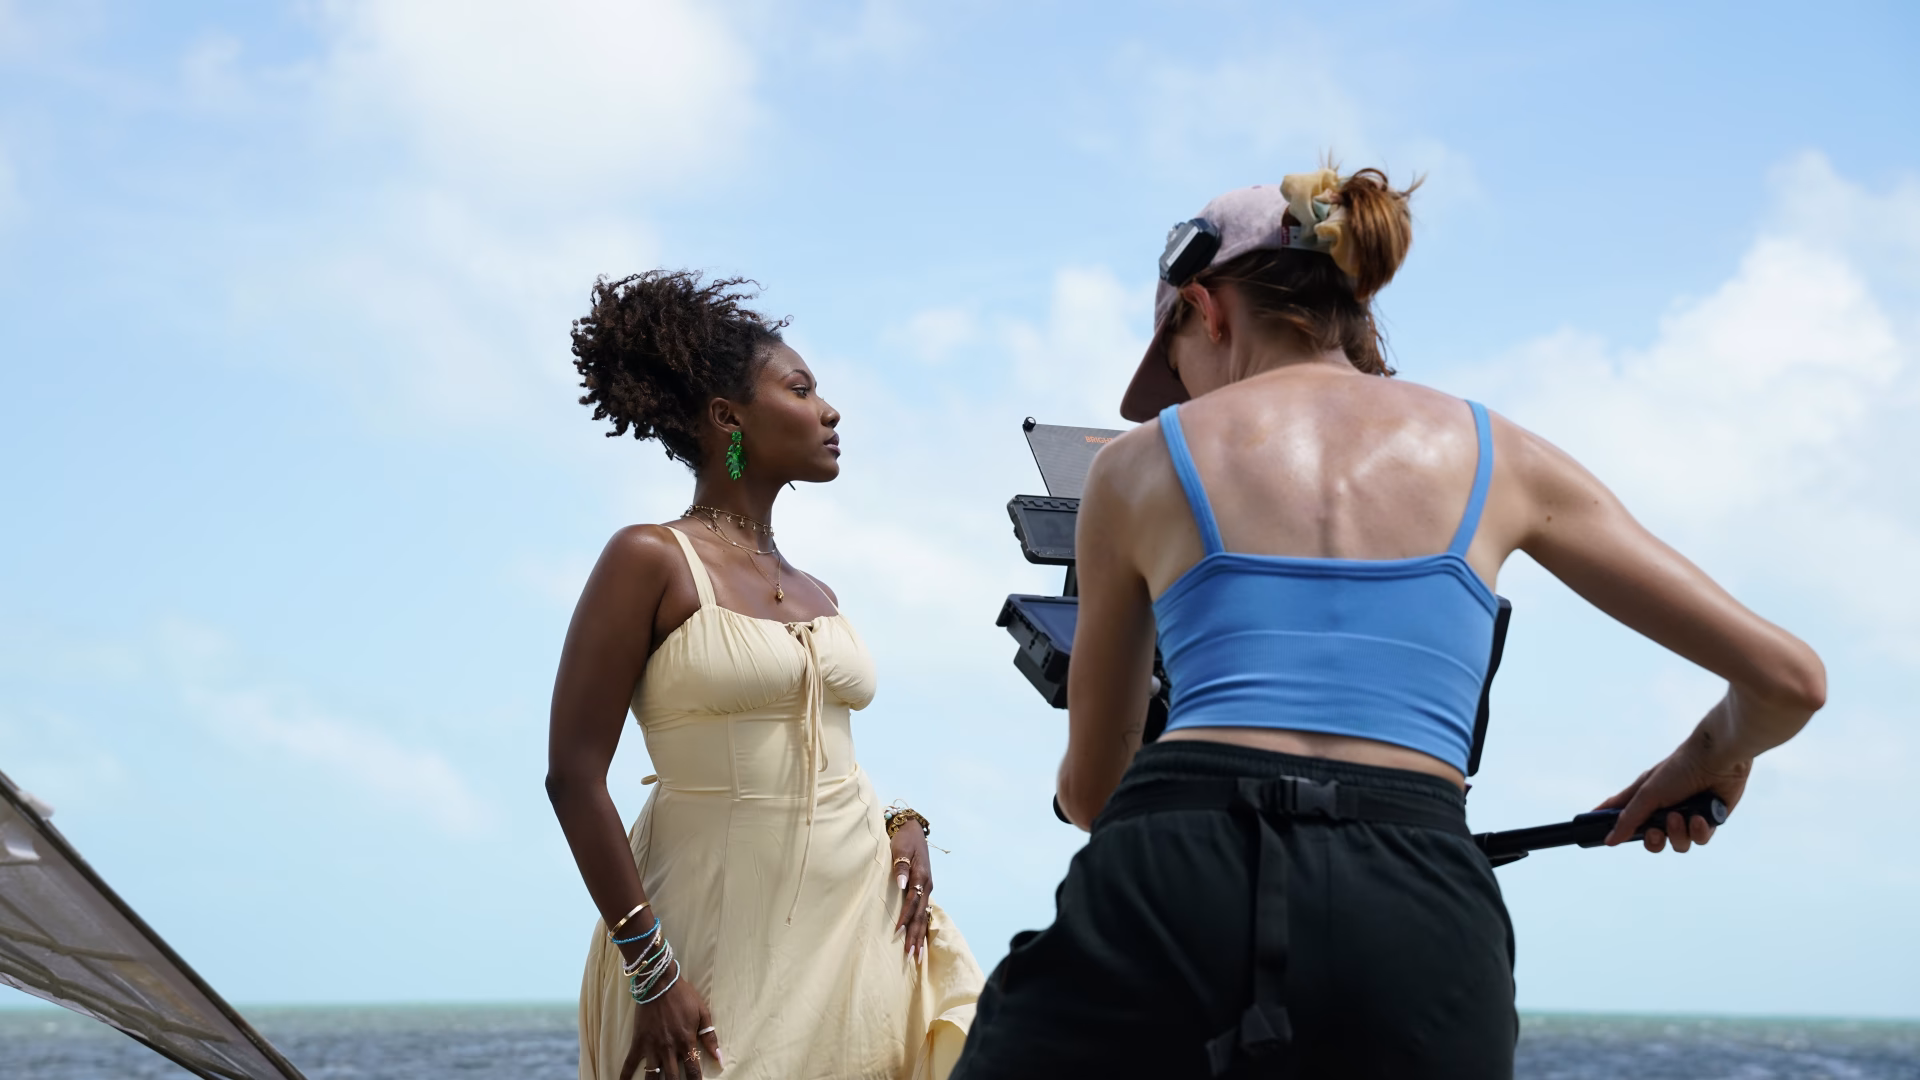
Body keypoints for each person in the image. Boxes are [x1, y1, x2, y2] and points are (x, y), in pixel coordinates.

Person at [950, 168, 1827, 1079]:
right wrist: (1711, 755)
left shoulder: (1135, 466)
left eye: (1174, 369)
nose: (1181, 399)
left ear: (1206, 311)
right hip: (1418, 900)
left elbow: (1096, 797)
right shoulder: (1503, 455)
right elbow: (1789, 681)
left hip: (1176, 873)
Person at [546, 270, 982, 1080]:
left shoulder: (821, 592)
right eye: (802, 389)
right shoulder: (649, 558)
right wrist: (652, 970)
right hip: (707, 940)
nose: (830, 410)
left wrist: (901, 820)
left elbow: (820, 753)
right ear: (728, 417)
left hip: (859, 936)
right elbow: (573, 776)